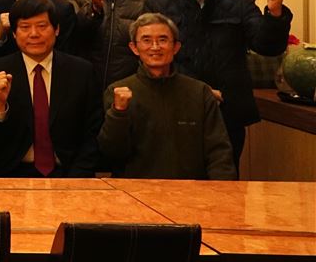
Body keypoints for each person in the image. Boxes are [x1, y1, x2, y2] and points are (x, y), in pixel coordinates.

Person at [144, 0, 292, 166]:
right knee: (176, 178)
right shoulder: (158, 3)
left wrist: (275, 14)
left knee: (225, 177)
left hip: (227, 109)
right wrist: (198, 92)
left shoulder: (238, 2)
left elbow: (268, 47)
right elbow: (152, 57)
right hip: (175, 106)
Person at [100, 13, 236, 180]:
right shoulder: (118, 92)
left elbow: (219, 152)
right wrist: (118, 112)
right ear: (134, 48)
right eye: (146, 40)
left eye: (163, 40)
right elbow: (111, 152)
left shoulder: (199, 92)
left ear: (176, 47)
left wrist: (222, 190)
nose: (155, 47)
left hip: (191, 190)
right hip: (135, 190)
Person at [0, 0, 101, 177]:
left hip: (69, 173)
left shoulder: (81, 72)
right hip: (12, 175)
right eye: (25, 27)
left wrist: (77, 179)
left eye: (42, 26)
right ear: (14, 33)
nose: (34, 34)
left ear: (57, 29)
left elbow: (93, 132)